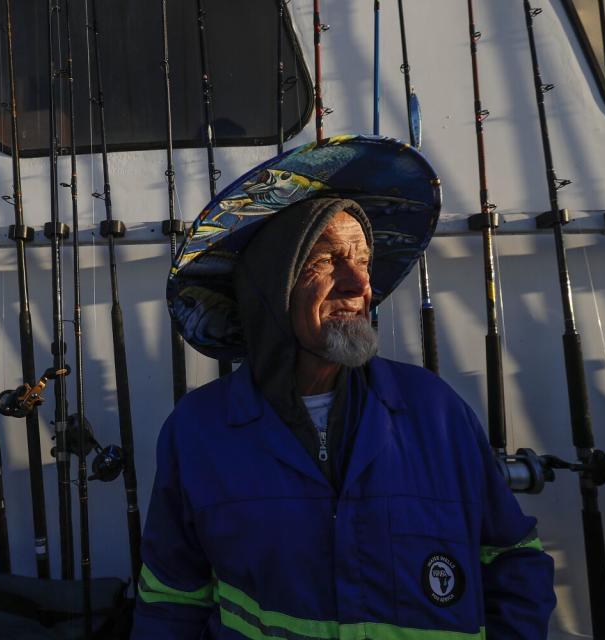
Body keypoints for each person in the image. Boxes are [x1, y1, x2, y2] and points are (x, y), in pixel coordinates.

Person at [133, 136, 556, 639]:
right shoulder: (199, 431)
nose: (360, 284)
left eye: (362, 259)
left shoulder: (433, 409)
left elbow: (514, 561)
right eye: (327, 260)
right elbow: (171, 604)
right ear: (272, 285)